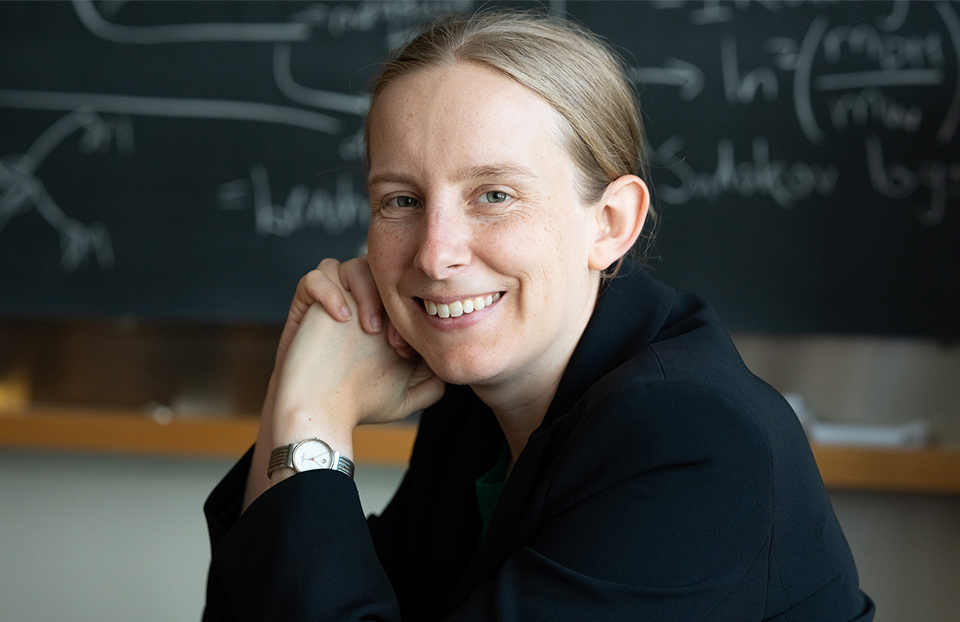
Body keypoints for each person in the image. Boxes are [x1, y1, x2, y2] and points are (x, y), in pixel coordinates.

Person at [202, 9, 875, 621]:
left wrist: (311, 421)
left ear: (611, 224)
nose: (436, 256)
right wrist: (298, 386)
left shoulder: (695, 439)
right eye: (401, 200)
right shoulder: (481, 401)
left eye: (494, 194)